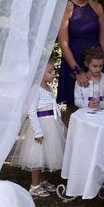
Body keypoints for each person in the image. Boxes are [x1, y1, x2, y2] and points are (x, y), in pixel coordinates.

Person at [57, 0, 104, 121]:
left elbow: (103, 39)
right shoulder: (67, 8)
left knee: (99, 103)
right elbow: (63, 42)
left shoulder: (97, 8)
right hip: (73, 61)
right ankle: (71, 143)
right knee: (73, 107)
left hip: (95, 61)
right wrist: (77, 70)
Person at [11, 60, 66, 198]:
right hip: (41, 125)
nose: (53, 74)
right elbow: (32, 111)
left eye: (53, 71)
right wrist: (38, 131)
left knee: (46, 153)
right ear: (39, 74)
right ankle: (34, 185)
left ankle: (42, 179)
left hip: (50, 125)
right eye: (50, 71)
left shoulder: (47, 87)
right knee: (37, 155)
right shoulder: (36, 89)